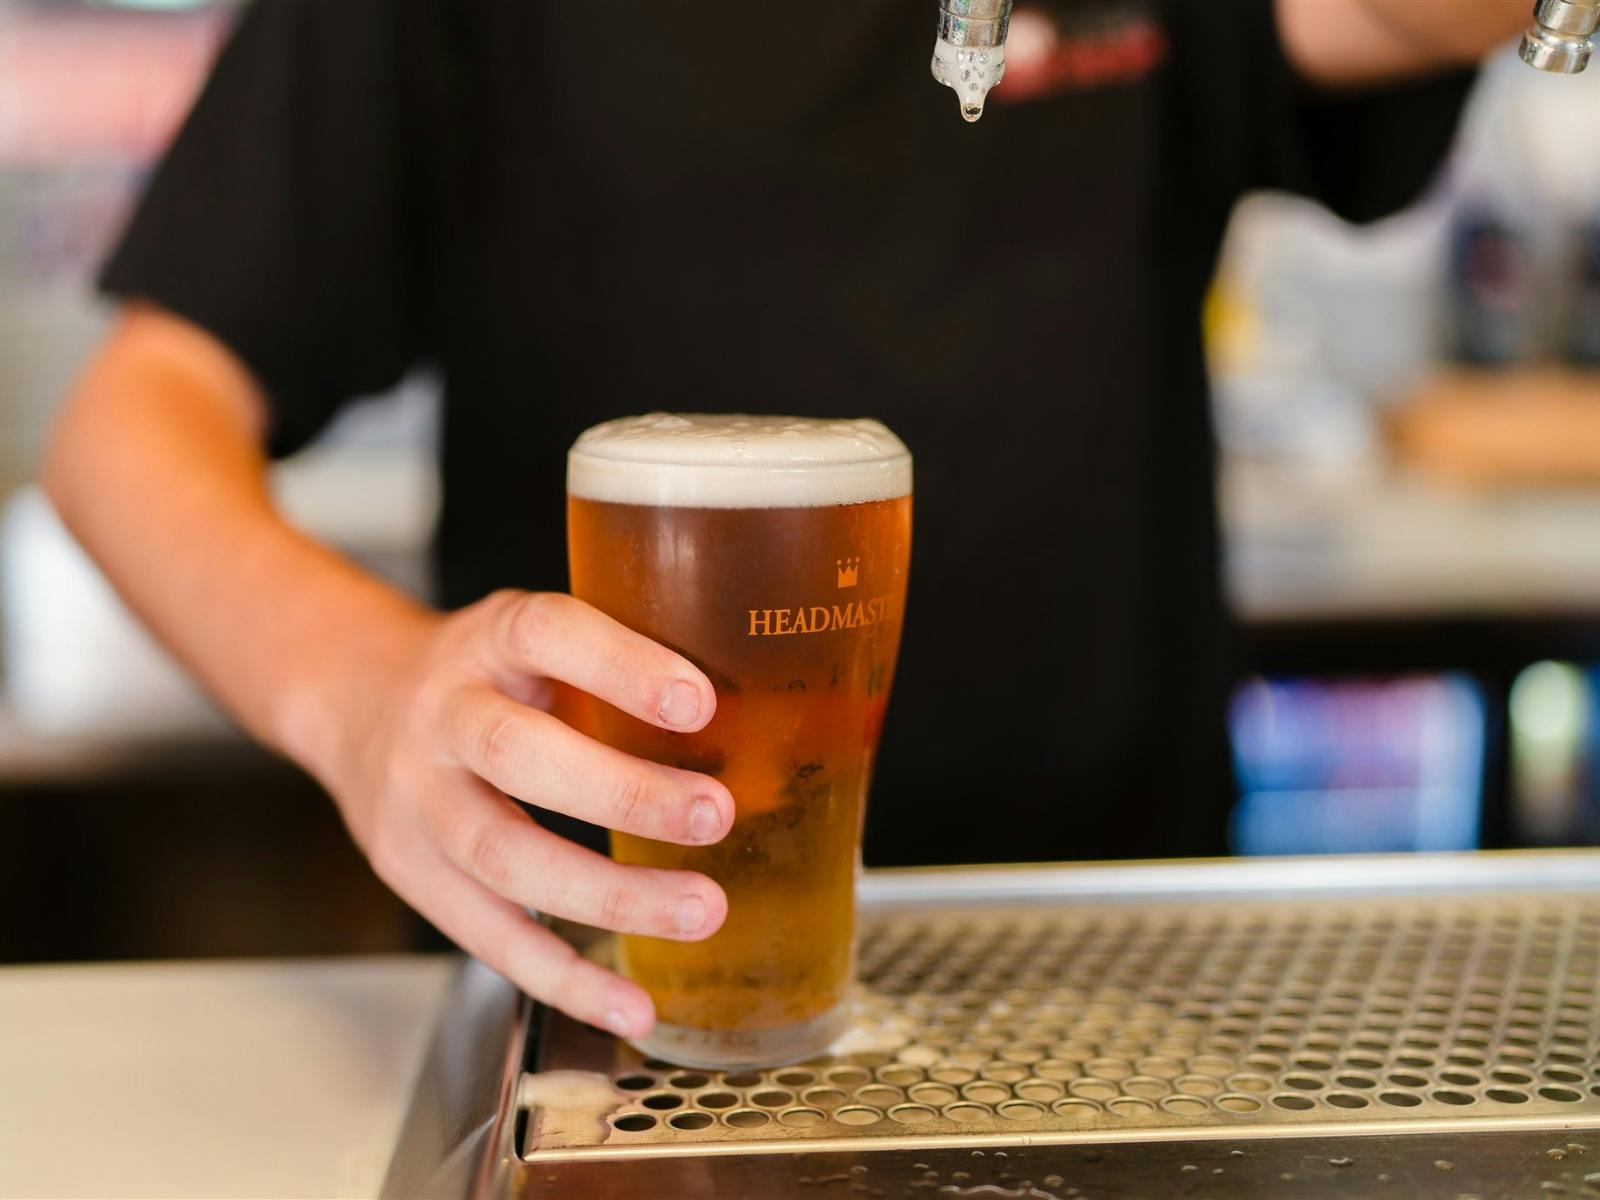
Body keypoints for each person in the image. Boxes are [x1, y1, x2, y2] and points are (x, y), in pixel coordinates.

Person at [43, 1, 1529, 1040]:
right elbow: (129, 424)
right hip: (606, 995)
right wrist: (360, 690)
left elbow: (1429, 11)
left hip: (1114, 970)